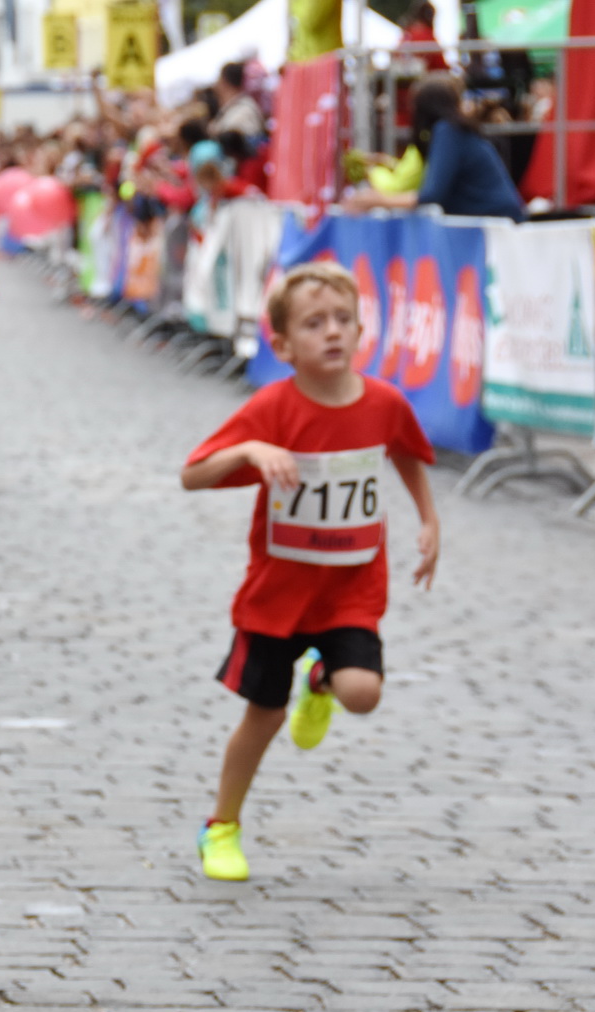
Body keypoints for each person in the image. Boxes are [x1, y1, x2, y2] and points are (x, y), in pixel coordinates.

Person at [181, 262, 441, 882]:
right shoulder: (273, 407)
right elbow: (193, 474)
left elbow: (406, 451)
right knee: (265, 716)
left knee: (363, 693)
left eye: (343, 320)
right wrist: (251, 450)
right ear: (282, 346)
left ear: (361, 331)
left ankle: (322, 680)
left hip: (351, 588)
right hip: (278, 596)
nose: (332, 332)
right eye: (314, 323)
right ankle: (221, 827)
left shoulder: (384, 403)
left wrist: (429, 520)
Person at [347, 72, 525, 223]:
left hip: (494, 224)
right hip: (498, 219)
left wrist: (378, 200)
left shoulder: (448, 131)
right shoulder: (455, 131)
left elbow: (431, 195)